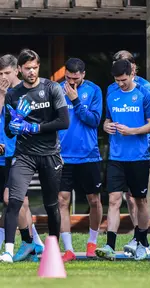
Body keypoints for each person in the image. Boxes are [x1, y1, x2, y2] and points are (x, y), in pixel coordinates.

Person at [0, 49, 69, 263]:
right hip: (24, 155)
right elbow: (11, 130)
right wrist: (13, 123)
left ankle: (53, 249)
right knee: (13, 201)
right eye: (27, 68)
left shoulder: (52, 88)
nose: (32, 71)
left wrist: (34, 127)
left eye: (35, 67)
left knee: (51, 204)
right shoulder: (14, 94)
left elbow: (63, 122)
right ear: (20, 70)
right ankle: (9, 251)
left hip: (49, 154)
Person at [95, 59, 150, 261]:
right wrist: (106, 126)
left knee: (139, 201)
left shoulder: (144, 93)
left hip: (138, 157)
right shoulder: (111, 93)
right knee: (113, 199)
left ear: (132, 74)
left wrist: (132, 131)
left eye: (123, 79)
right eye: (117, 80)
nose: (120, 83)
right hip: (116, 157)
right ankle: (109, 246)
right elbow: (107, 119)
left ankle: (141, 241)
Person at [0, 54, 45, 260]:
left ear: (16, 70)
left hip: (19, 154)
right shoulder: (3, 93)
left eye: (7, 73)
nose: (3, 77)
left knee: (13, 200)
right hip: (4, 156)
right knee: (20, 202)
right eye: (0, 74)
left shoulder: (23, 93)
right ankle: (35, 243)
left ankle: (28, 243)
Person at [58, 58, 103, 262]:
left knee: (94, 200)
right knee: (62, 201)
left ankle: (92, 244)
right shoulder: (57, 90)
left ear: (83, 75)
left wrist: (75, 100)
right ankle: (68, 249)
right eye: (68, 78)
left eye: (75, 78)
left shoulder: (94, 91)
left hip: (88, 155)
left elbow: (94, 120)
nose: (72, 82)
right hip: (62, 156)